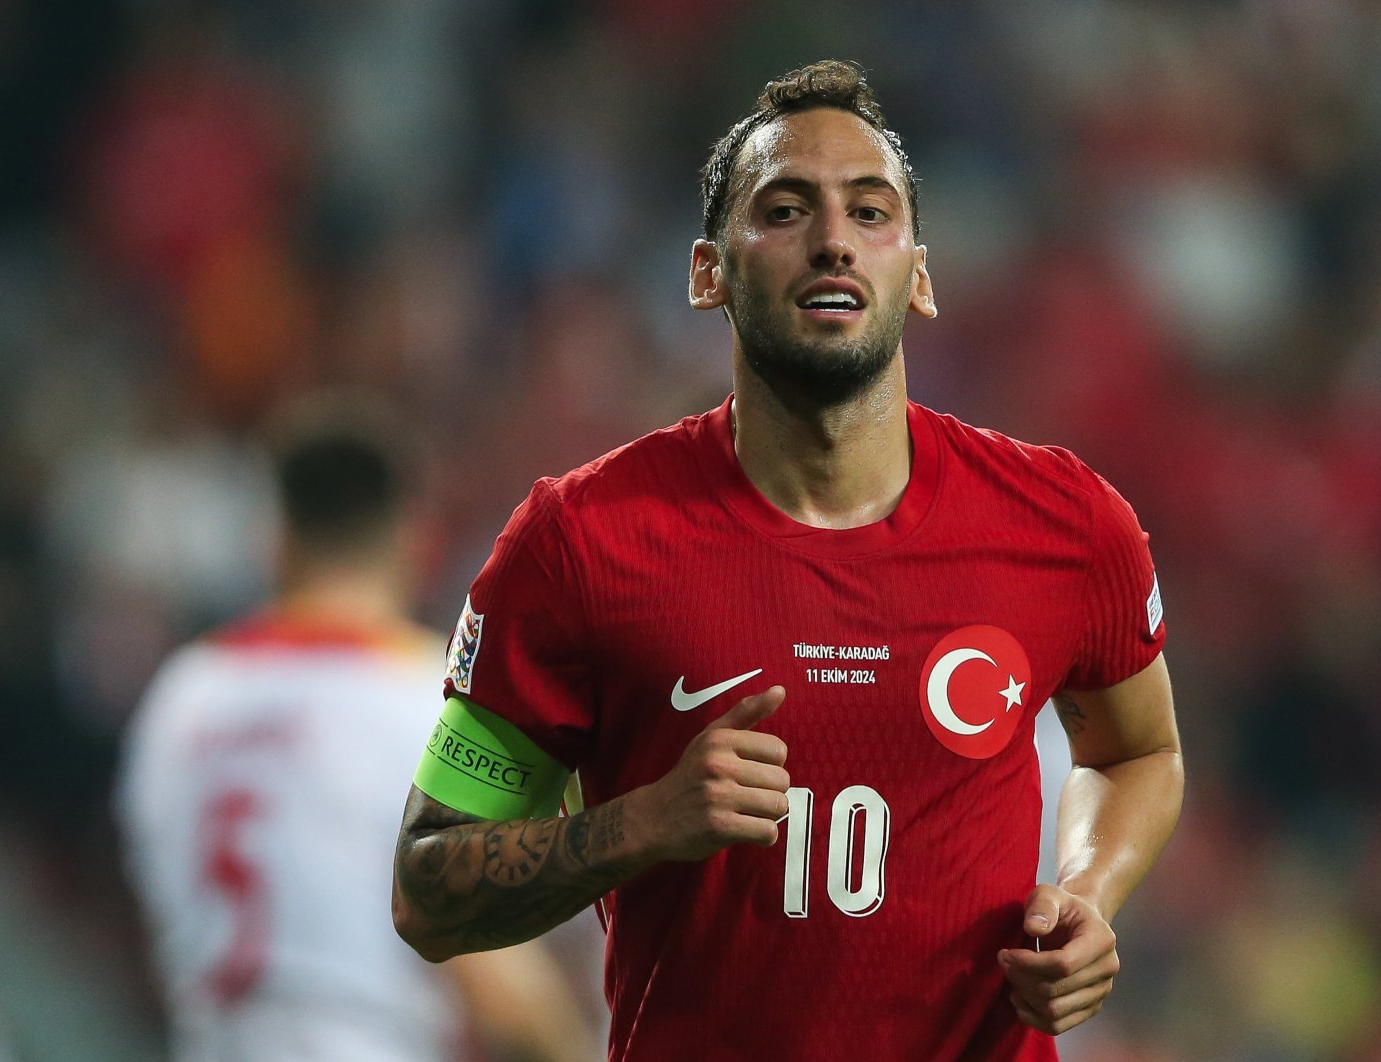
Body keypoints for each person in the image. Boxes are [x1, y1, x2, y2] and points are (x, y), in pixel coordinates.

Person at [393, 60, 1183, 1061]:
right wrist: (641, 824)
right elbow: (427, 889)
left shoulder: (1066, 522)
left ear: (920, 272)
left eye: (869, 211)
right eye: (784, 209)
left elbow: (1139, 753)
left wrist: (1086, 892)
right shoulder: (579, 542)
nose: (832, 242)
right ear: (706, 271)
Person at [118, 402, 597, 1061]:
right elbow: (499, 983)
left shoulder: (180, 697)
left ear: (277, 537)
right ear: (416, 541)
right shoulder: (431, 697)